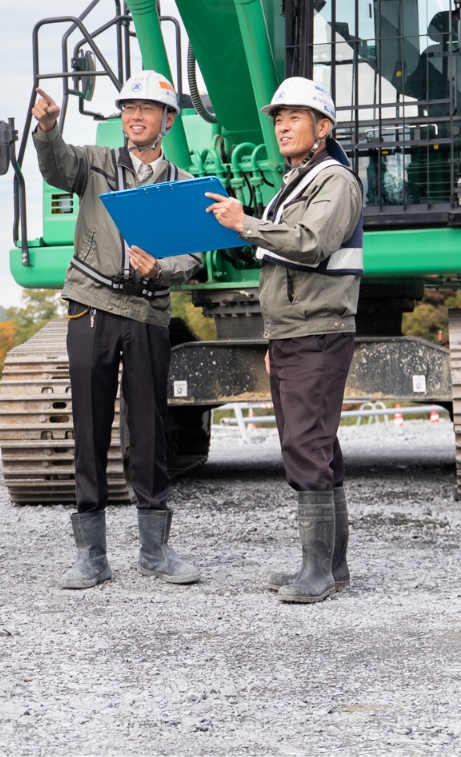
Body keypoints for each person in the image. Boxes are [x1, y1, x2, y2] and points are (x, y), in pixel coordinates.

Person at [31, 69, 203, 590]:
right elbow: (56, 168)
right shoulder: (95, 163)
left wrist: (162, 271)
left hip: (148, 313)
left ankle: (154, 550)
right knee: (89, 427)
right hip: (92, 307)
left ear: (168, 120)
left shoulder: (181, 186)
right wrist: (48, 130)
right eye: (128, 106)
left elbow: (192, 258)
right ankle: (91, 555)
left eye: (147, 108)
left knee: (149, 432)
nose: (134, 115)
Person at [205, 77, 362, 603]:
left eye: (294, 117)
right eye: (278, 118)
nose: (282, 126)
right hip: (297, 332)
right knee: (320, 443)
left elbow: (311, 245)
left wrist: (244, 223)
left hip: (318, 331)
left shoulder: (334, 181)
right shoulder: (298, 181)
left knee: (305, 444)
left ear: (323, 128)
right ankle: (331, 568)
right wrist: (275, 338)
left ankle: (317, 573)